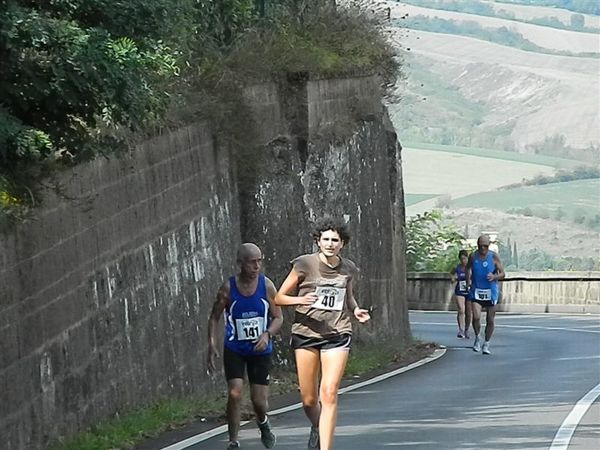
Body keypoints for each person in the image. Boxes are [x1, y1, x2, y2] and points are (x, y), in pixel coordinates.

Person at [275, 218, 371, 450]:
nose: (330, 244)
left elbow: (348, 298)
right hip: (306, 333)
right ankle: (317, 426)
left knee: (328, 393)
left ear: (342, 244)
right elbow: (278, 298)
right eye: (326, 239)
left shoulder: (348, 268)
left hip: (338, 332)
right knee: (309, 400)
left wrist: (356, 309)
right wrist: (300, 299)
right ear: (318, 241)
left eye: (335, 240)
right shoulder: (304, 264)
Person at [208, 243, 283, 449]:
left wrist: (267, 335)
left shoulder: (266, 286)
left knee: (259, 403)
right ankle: (233, 441)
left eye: (259, 261)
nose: (257, 266)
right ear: (240, 263)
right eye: (252, 262)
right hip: (235, 349)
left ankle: (263, 423)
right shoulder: (228, 288)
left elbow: (278, 317)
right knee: (235, 392)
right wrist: (211, 344)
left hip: (260, 350)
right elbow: (214, 318)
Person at [465, 235, 505, 355]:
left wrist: (494, 276)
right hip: (477, 290)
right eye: (480, 246)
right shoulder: (473, 256)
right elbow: (468, 268)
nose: (483, 248)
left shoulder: (493, 256)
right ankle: (478, 337)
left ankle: (486, 343)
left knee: (490, 320)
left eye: (485, 246)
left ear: (489, 246)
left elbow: (503, 273)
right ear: (477, 245)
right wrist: (468, 282)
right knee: (476, 317)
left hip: (490, 291)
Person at [450, 249, 472, 339]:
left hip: (469, 290)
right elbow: (451, 274)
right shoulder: (457, 267)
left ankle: (467, 329)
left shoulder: (471, 267)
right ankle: (461, 330)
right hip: (460, 290)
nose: (463, 261)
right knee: (461, 310)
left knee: (469, 312)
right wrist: (453, 278)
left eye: (465, 259)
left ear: (467, 258)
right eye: (461, 259)